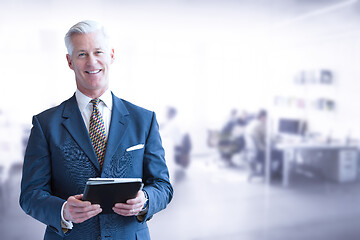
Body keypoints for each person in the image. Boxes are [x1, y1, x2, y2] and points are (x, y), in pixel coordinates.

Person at [19, 20, 173, 240]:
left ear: (111, 55)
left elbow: (163, 186)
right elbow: (30, 195)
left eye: (98, 52)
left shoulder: (144, 120)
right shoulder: (45, 124)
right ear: (70, 61)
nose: (92, 62)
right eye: (81, 54)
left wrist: (145, 200)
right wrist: (63, 211)